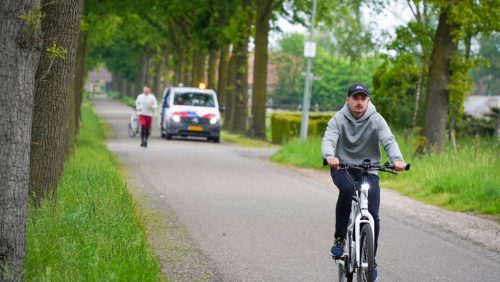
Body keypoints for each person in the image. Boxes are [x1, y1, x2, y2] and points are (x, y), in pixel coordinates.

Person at [321, 83, 406, 282]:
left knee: (374, 216)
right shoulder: (338, 119)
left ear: (368, 100)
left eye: (363, 98)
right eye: (355, 98)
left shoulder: (376, 119)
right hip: (343, 167)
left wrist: (397, 160)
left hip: (369, 169)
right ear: (348, 100)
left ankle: (371, 260)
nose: (359, 102)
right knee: (348, 189)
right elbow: (329, 139)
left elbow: (388, 140)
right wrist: (329, 156)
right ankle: (340, 238)